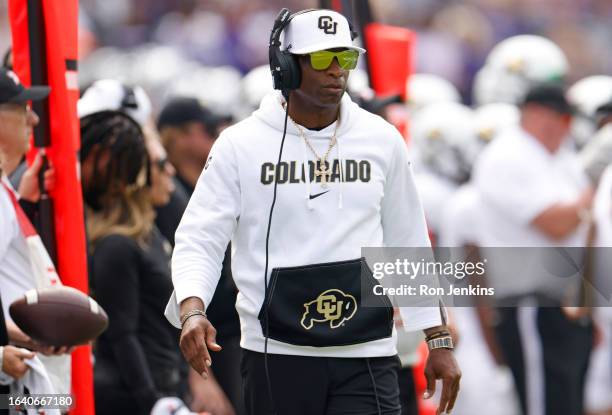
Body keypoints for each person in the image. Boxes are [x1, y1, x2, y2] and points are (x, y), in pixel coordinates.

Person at [166, 8, 460, 415]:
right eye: (322, 59)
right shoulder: (240, 144)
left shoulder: (381, 139)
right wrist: (192, 309)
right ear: (285, 66)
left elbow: (406, 241)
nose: (337, 70)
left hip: (367, 352)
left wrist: (437, 338)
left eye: (346, 58)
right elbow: (199, 238)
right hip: (276, 353)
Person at [472, 83, 594, 415]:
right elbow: (556, 223)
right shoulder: (509, 155)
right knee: (545, 404)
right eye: (563, 118)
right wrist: (594, 188)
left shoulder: (555, 156)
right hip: (532, 303)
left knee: (568, 402)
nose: (567, 128)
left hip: (566, 303)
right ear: (538, 114)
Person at [79, 110, 187, 415]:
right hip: (134, 397)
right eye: (160, 164)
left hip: (165, 386)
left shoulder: (150, 235)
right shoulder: (117, 246)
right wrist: (151, 400)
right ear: (137, 176)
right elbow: (122, 333)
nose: (171, 172)